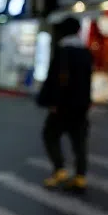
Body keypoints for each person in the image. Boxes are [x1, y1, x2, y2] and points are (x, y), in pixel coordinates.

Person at [37, 17, 93, 192]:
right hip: (81, 106)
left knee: (50, 135)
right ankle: (80, 177)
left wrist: (51, 101)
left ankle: (60, 169)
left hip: (62, 105)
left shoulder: (63, 51)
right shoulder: (85, 52)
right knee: (79, 142)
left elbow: (56, 79)